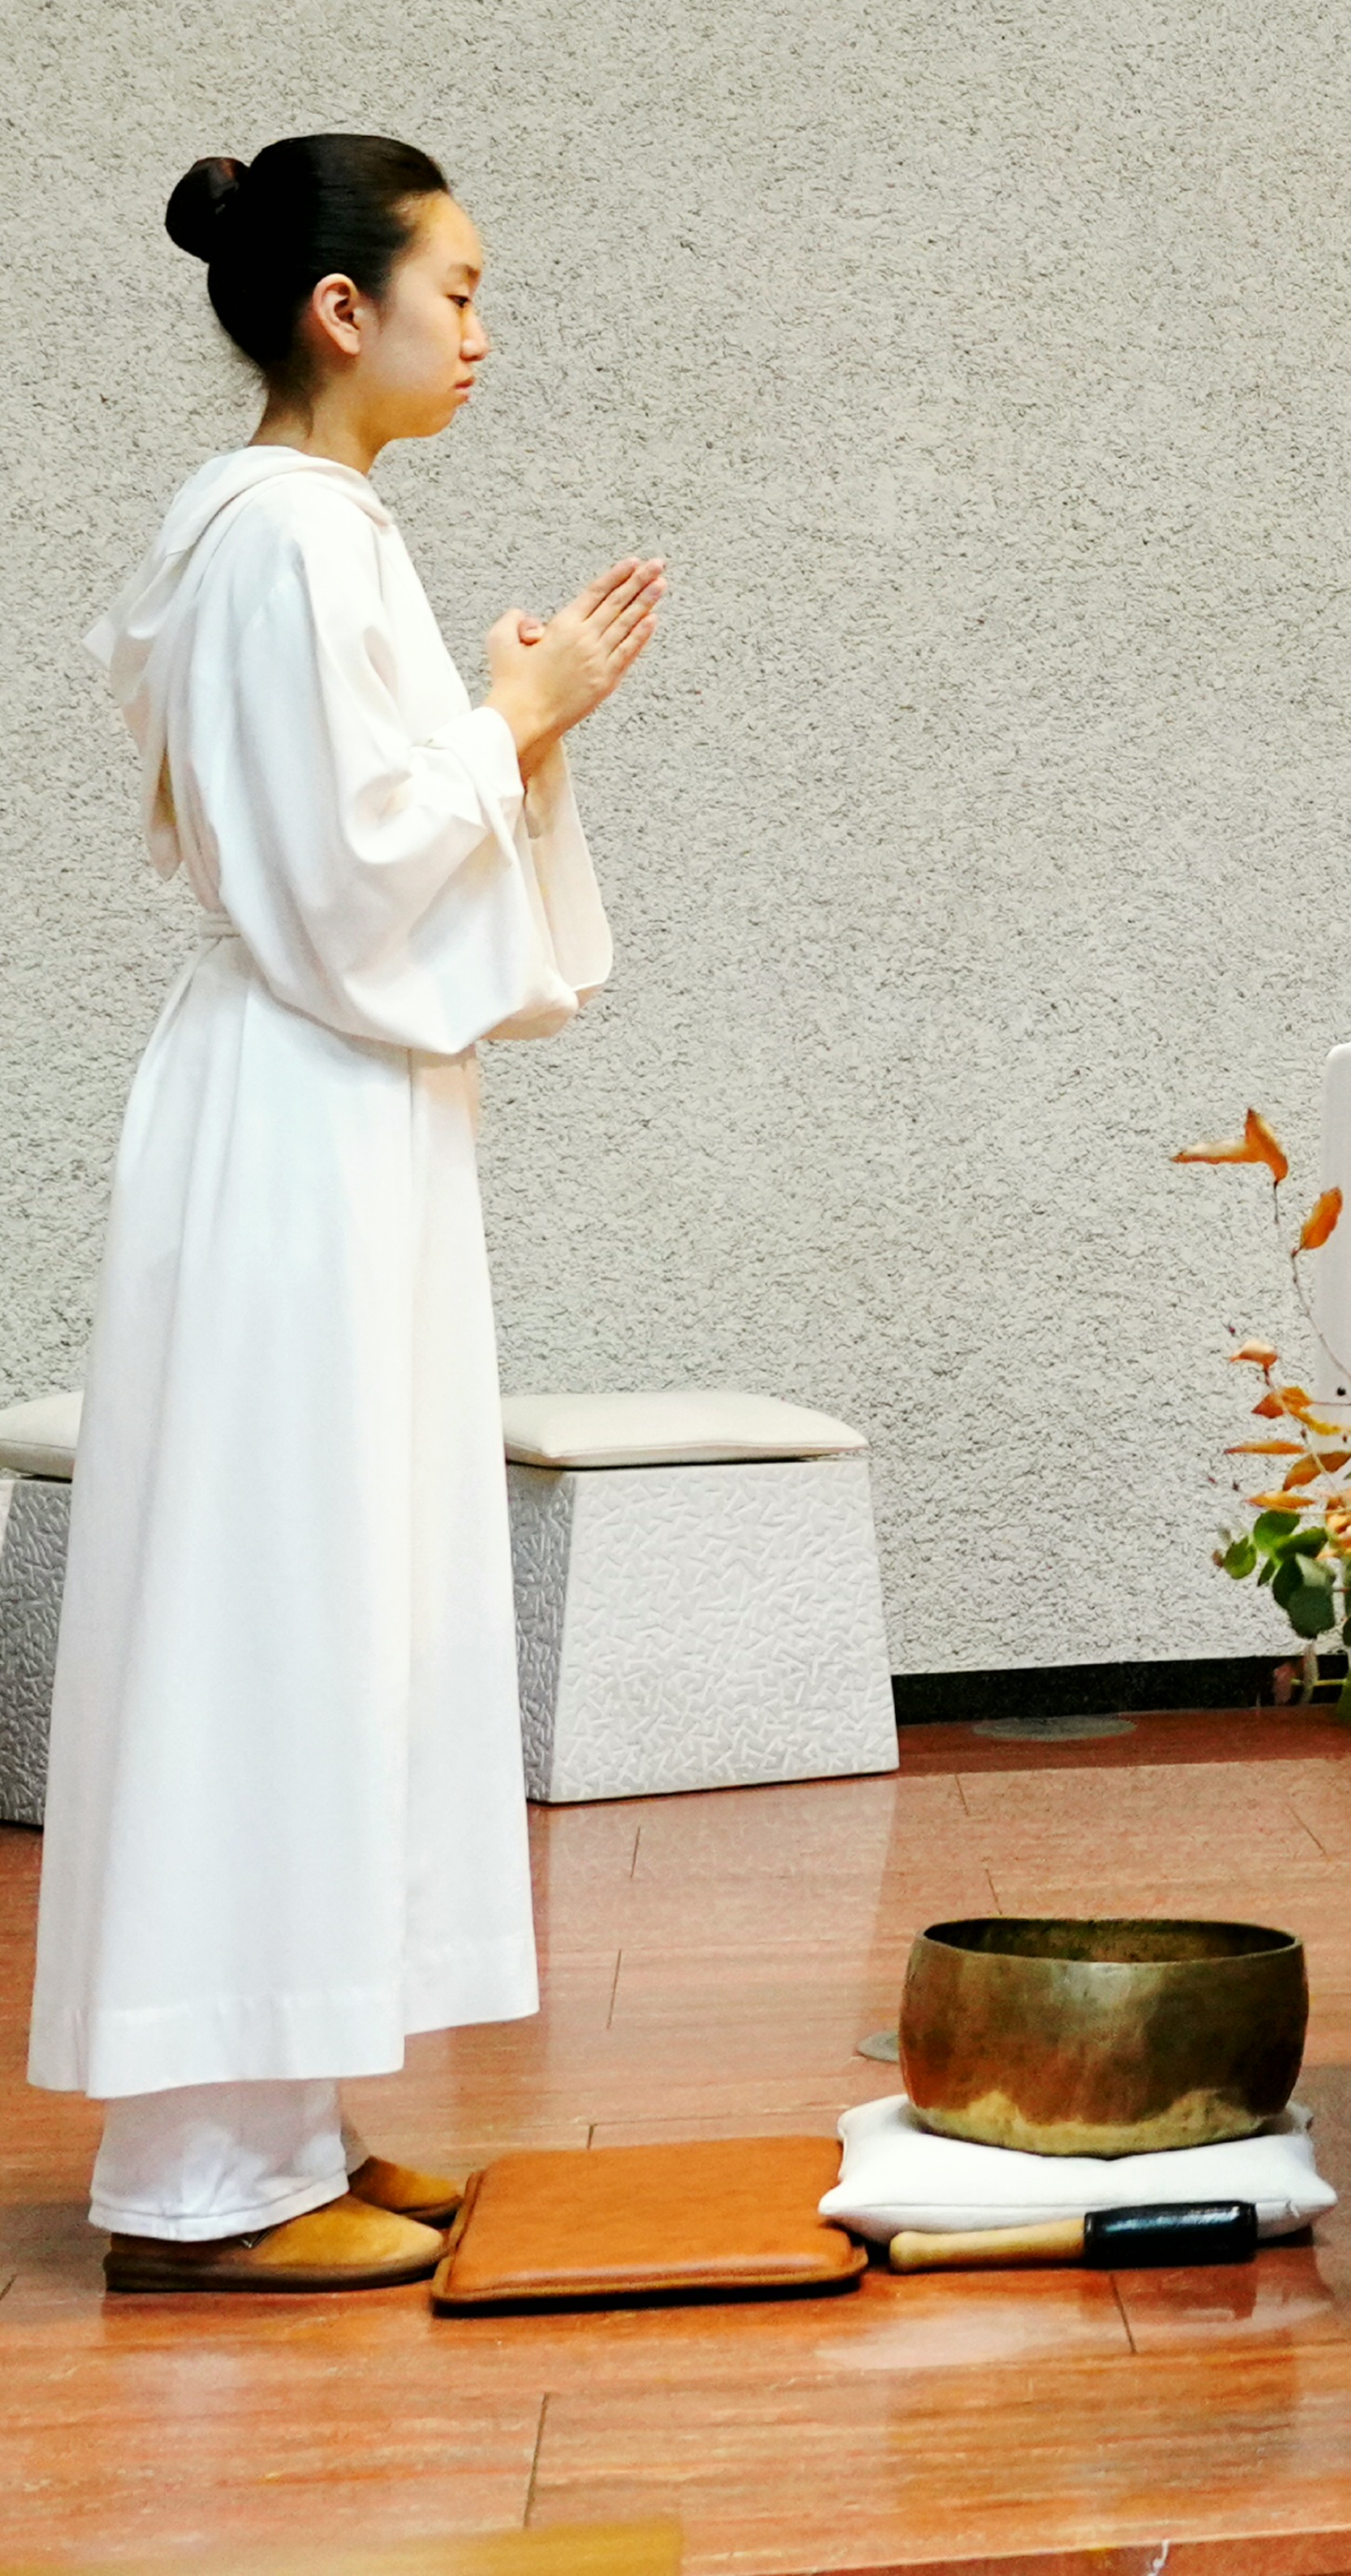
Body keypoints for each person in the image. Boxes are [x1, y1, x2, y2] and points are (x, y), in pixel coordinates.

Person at [33, 139, 662, 2289]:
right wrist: (514, 718)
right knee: (270, 1590)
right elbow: (341, 878)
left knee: (331, 1589)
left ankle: (282, 2127)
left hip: (329, 1117)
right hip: (298, 1122)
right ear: (342, 309)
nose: (480, 333)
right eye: (455, 291)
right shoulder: (289, 535)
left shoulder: (307, 529)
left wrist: (515, 739)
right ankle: (198, 2181)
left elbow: (364, 843)